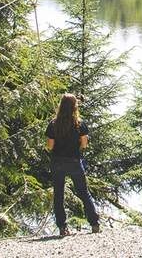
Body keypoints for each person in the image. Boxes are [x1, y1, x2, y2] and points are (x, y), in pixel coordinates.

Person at [45, 93, 99, 236]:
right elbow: (84, 144)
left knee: (59, 195)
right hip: (74, 161)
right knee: (83, 193)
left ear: (61, 106)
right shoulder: (80, 124)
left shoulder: (53, 124)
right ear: (74, 107)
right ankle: (94, 224)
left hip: (57, 162)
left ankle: (63, 228)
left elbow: (50, 146)